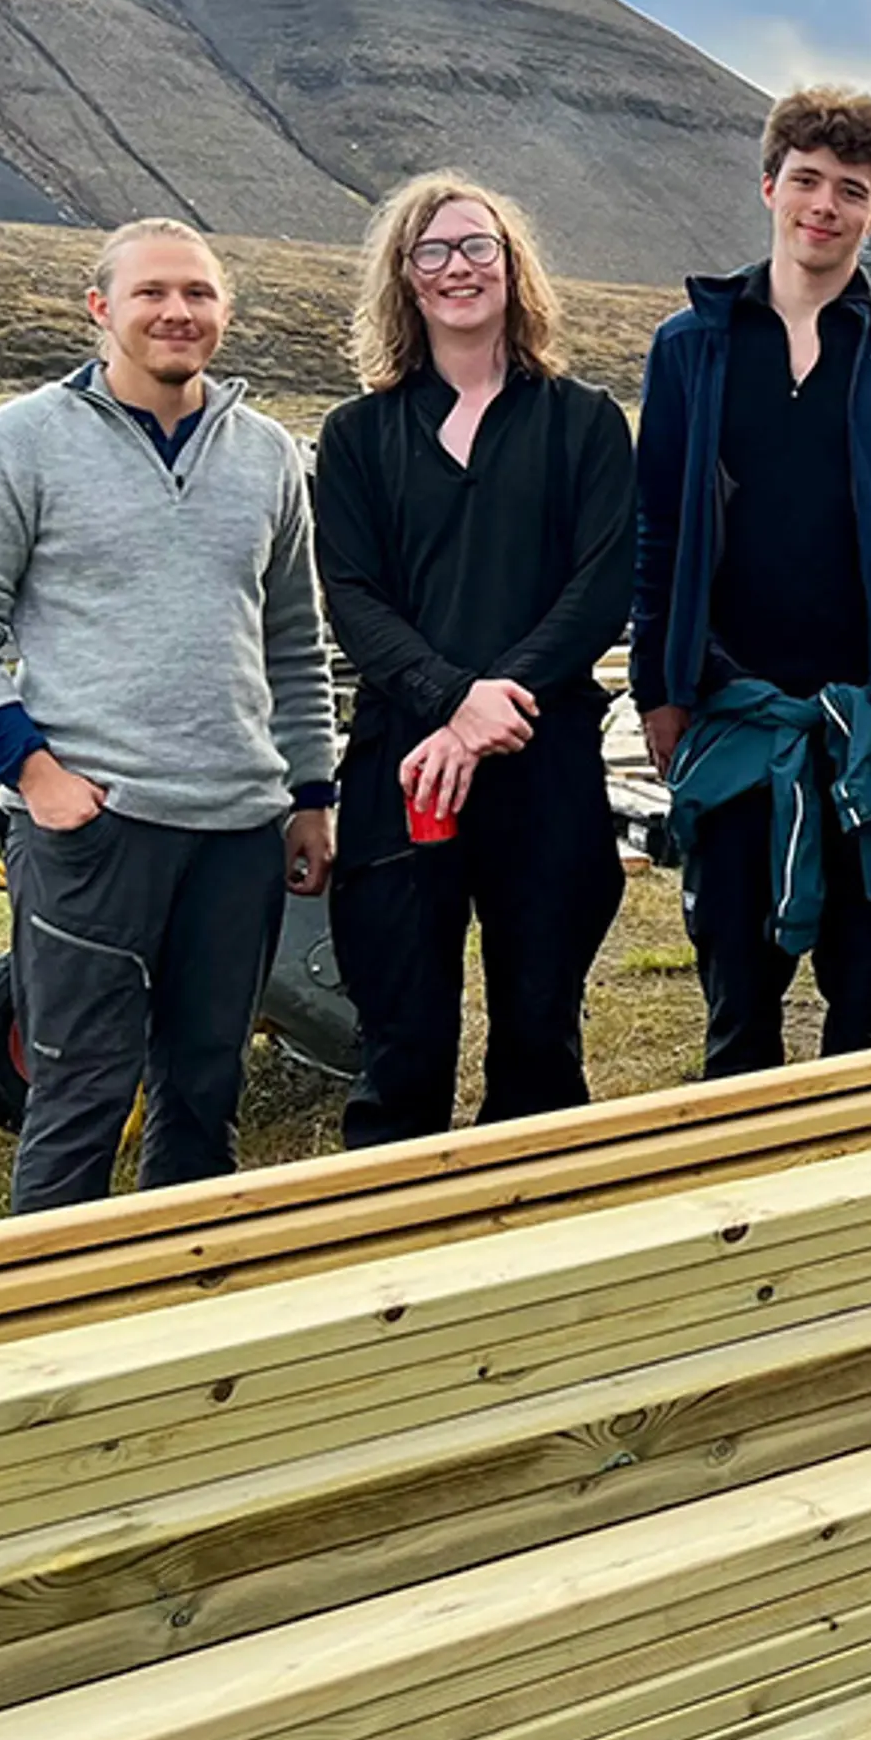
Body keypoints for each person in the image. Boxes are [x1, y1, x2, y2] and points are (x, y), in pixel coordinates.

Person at [0, 218, 335, 1212]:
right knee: (80, 1097)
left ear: (223, 313)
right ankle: (45, 1347)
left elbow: (292, 643)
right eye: (151, 294)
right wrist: (38, 778)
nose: (176, 312)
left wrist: (309, 796)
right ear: (101, 309)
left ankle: (178, 1331)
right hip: (98, 833)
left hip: (239, 833)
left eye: (198, 293)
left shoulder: (266, 456)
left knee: (204, 1093)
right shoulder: (22, 442)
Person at [630, 88, 871, 1074]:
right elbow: (657, 525)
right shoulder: (690, 347)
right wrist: (661, 686)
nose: (824, 205)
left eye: (851, 190)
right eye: (808, 181)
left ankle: (860, 1214)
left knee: (866, 1014)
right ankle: (742, 1213)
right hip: (736, 714)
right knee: (738, 1013)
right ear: (770, 185)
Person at [312, 173, 637, 1147]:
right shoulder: (359, 435)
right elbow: (355, 598)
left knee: (540, 1037)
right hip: (402, 768)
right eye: (434, 252)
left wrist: (499, 702)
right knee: (400, 1045)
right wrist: (452, 702)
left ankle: (533, 1257)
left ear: (512, 266)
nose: (458, 268)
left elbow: (601, 587)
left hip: (546, 763)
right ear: (406, 280)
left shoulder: (582, 420)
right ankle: (392, 1266)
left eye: (477, 247)